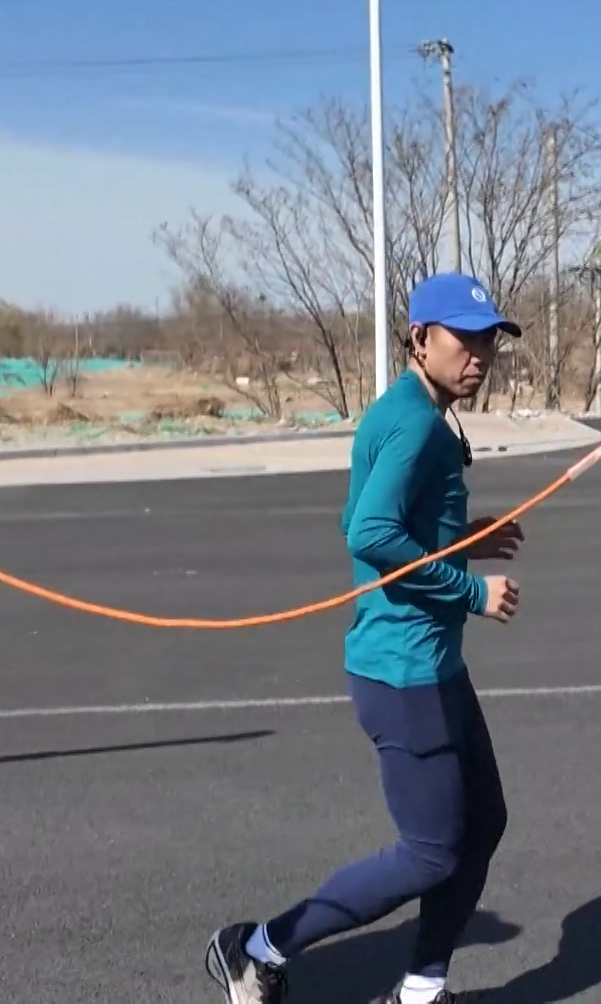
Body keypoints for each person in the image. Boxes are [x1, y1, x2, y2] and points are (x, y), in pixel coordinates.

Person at [206, 273, 526, 1004]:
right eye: (465, 339)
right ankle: (256, 948)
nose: (480, 354)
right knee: (429, 853)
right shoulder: (415, 424)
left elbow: (364, 517)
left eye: (489, 340)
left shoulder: (409, 411)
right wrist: (473, 591)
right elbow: (371, 532)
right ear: (420, 338)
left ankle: (422, 987)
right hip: (403, 674)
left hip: (432, 666)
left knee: (483, 823)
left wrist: (464, 538)